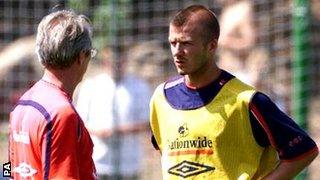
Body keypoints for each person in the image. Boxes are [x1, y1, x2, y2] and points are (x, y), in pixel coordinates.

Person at [149, 5, 318, 179]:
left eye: (186, 43)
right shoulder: (161, 98)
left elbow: (305, 151)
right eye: (173, 43)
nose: (177, 52)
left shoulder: (246, 100)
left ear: (211, 46)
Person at [8, 9, 97, 179]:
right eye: (90, 53)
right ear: (80, 57)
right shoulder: (61, 113)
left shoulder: (21, 104)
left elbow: (9, 167)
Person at [75, 45, 152, 179]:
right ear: (105, 61)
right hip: (98, 161)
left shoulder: (139, 86)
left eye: (119, 61)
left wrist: (118, 131)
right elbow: (79, 122)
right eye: (111, 61)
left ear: (125, 61)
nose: (115, 65)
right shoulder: (91, 86)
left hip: (129, 163)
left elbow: (147, 122)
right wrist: (99, 131)